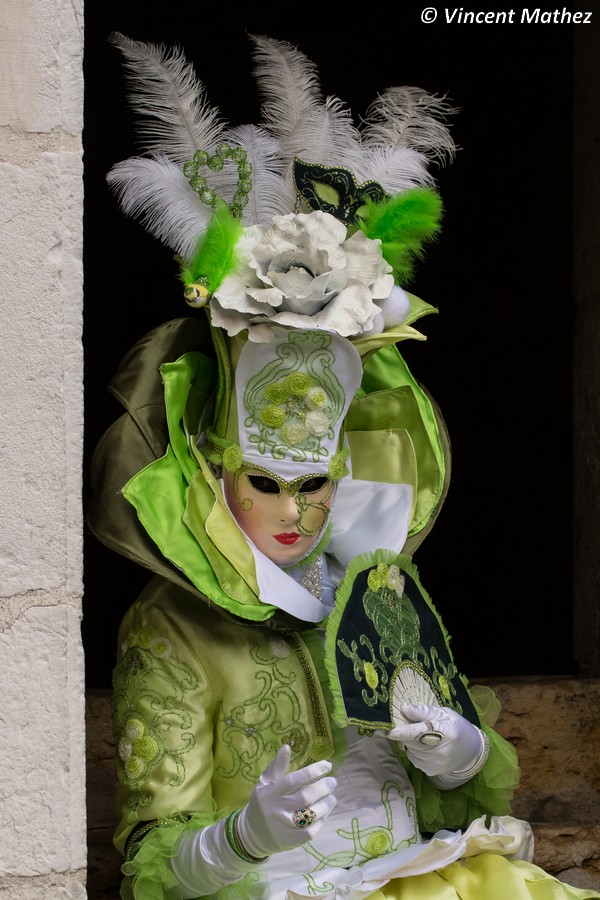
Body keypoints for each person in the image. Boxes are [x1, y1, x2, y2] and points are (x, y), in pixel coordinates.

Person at [88, 33, 600, 900]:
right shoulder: (168, 631)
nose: (296, 512)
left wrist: (460, 751)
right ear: (214, 473)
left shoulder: (374, 581)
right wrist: (241, 839)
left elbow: (448, 794)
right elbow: (154, 858)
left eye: (314, 483)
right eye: (266, 482)